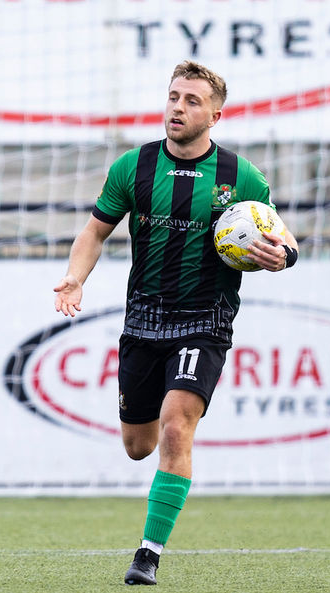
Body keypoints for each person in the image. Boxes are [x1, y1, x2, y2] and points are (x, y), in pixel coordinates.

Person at [52, 60, 299, 586]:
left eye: (191, 101)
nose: (178, 108)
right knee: (138, 445)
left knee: (175, 424)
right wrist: (75, 277)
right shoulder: (134, 166)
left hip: (205, 320)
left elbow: (283, 236)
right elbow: (94, 232)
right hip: (143, 319)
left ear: (215, 115)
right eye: (173, 97)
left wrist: (283, 256)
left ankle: (148, 554)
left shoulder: (241, 176)